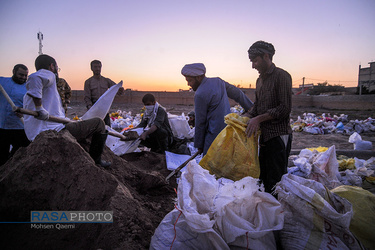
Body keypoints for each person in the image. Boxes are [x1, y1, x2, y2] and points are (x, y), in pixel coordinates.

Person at [23, 54, 111, 168]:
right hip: (54, 130)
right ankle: (96, 160)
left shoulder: (34, 91)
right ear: (51, 66)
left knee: (82, 123)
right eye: (56, 67)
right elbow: (35, 78)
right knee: (99, 123)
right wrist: (39, 108)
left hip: (42, 130)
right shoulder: (47, 74)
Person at [244, 40, 293, 193]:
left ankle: (277, 213)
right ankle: (266, 212)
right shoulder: (259, 81)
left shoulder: (282, 76)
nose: (253, 66)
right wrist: (244, 117)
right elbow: (257, 106)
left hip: (278, 136)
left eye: (255, 61)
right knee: (263, 178)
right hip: (264, 138)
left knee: (276, 181)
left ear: (266, 56)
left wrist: (258, 119)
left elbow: (284, 108)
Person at [181, 63, 253, 155]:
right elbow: (237, 93)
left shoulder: (200, 94)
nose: (188, 84)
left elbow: (200, 122)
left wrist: (199, 145)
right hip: (228, 132)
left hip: (213, 137)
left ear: (198, 77)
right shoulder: (218, 81)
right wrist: (250, 107)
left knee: (207, 166)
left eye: (190, 80)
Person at [0, 64, 30, 166]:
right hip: (2, 125)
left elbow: (33, 107)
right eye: (21, 75)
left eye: (26, 76)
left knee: (21, 152)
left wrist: (24, 112)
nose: (23, 78)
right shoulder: (2, 82)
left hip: (19, 126)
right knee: (1, 155)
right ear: (13, 72)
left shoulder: (28, 88)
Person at [84, 60, 124, 126]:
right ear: (91, 68)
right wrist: (90, 108)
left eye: (99, 67)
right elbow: (87, 97)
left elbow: (116, 89)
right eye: (95, 67)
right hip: (93, 108)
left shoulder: (106, 80)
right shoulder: (88, 82)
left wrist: (120, 89)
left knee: (107, 129)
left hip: (104, 109)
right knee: (94, 129)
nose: (98, 69)